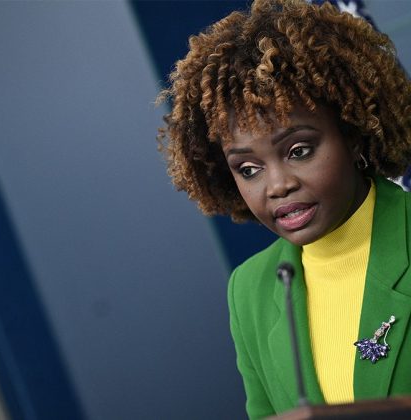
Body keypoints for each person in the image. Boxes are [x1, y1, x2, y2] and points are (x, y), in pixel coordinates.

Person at [157, 0, 411, 418]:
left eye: (299, 150)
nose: (278, 185)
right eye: (249, 169)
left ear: (352, 134)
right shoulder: (250, 289)